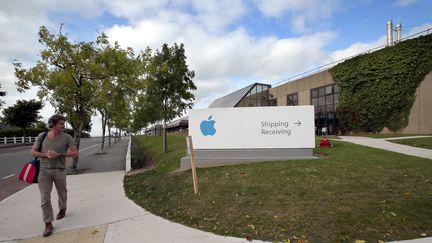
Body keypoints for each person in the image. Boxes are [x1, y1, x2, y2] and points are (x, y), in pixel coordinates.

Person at [31, 115, 78, 237]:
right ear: (53, 124)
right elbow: (32, 152)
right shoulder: (42, 136)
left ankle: (62, 208)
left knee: (62, 193)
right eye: (61, 123)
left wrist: (60, 154)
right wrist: (46, 155)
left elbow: (75, 153)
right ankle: (48, 223)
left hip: (60, 170)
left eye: (64, 123)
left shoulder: (68, 137)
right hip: (44, 171)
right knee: (45, 198)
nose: (64, 125)